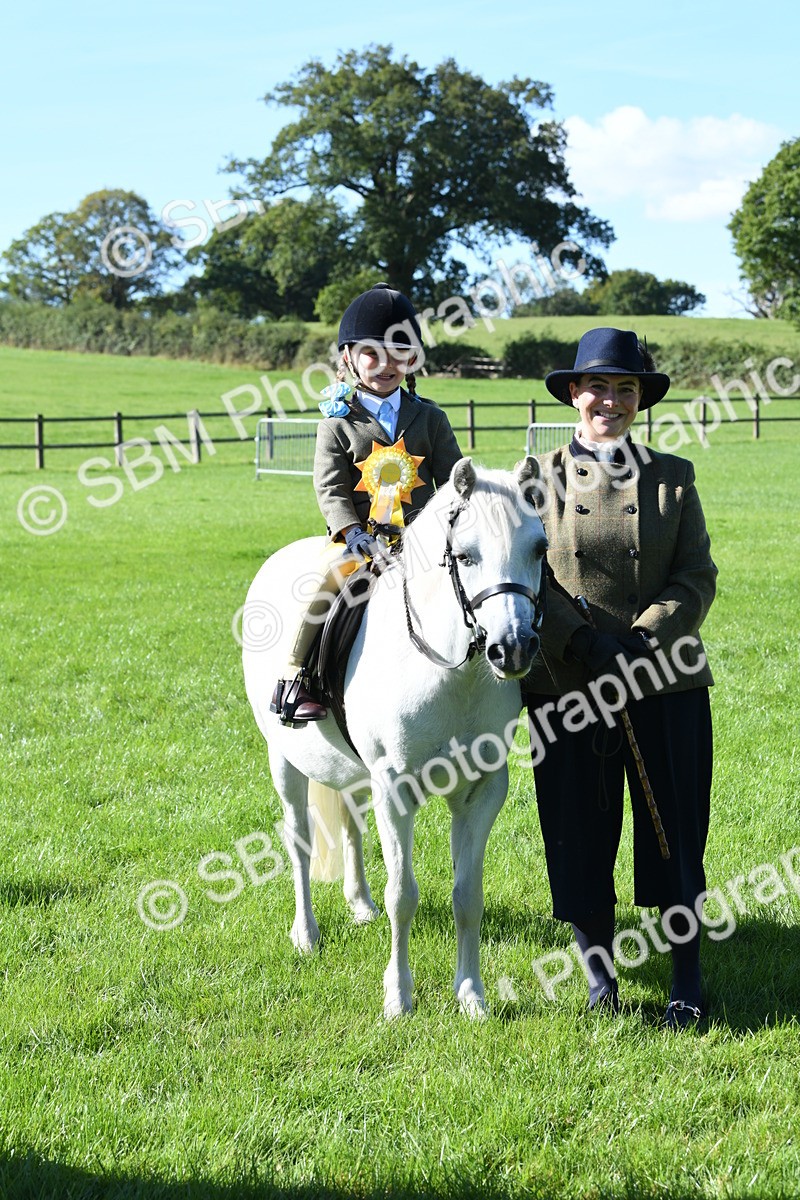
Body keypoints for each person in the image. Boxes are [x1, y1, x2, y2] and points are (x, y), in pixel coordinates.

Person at [522, 327, 717, 1029]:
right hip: (566, 685)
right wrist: (580, 641)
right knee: (577, 830)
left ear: (640, 400)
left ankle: (688, 980)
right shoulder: (534, 479)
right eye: (598, 386)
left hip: (664, 683)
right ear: (574, 394)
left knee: (675, 834)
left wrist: (641, 640)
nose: (611, 399)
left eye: (625, 388)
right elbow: (525, 581)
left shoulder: (673, 478)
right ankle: (600, 980)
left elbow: (697, 578)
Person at [271, 283, 463, 723]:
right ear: (348, 358)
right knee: (329, 578)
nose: (384, 364)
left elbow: (453, 479)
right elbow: (330, 489)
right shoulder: (337, 424)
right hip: (357, 540)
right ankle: (298, 677)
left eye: (398, 352)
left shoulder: (431, 417)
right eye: (371, 353)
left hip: (421, 539)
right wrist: (353, 532)